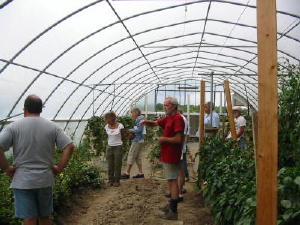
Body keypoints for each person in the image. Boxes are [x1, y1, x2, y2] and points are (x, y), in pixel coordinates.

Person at [0, 95, 74, 225]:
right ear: (41, 109)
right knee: (45, 217)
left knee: (29, 218)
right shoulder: (52, 126)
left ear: (25, 109)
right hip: (45, 179)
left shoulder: (14, 127)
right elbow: (69, 146)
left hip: (23, 181)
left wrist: (7, 168)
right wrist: (59, 168)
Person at [141, 97, 184, 220]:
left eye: (167, 105)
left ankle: (173, 212)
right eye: (164, 105)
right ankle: (170, 205)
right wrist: (145, 122)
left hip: (172, 154)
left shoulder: (177, 119)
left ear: (174, 106)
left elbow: (178, 139)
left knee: (173, 180)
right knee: (170, 180)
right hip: (166, 154)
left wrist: (163, 139)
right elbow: (155, 123)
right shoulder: (168, 118)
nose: (164, 107)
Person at [121, 108, 145, 179]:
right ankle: (141, 173)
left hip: (137, 140)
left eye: (132, 113)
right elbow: (138, 129)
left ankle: (127, 173)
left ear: (136, 112)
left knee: (131, 155)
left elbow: (139, 130)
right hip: (139, 139)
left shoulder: (140, 119)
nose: (131, 115)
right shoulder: (140, 119)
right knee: (137, 157)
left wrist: (129, 130)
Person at [104, 111, 125, 187]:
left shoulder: (120, 126)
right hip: (109, 147)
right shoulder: (106, 126)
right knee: (110, 164)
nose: (107, 121)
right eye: (106, 120)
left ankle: (117, 180)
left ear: (113, 119)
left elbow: (123, 135)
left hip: (118, 147)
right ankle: (110, 180)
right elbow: (107, 136)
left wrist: (119, 142)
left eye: (108, 120)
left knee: (117, 164)